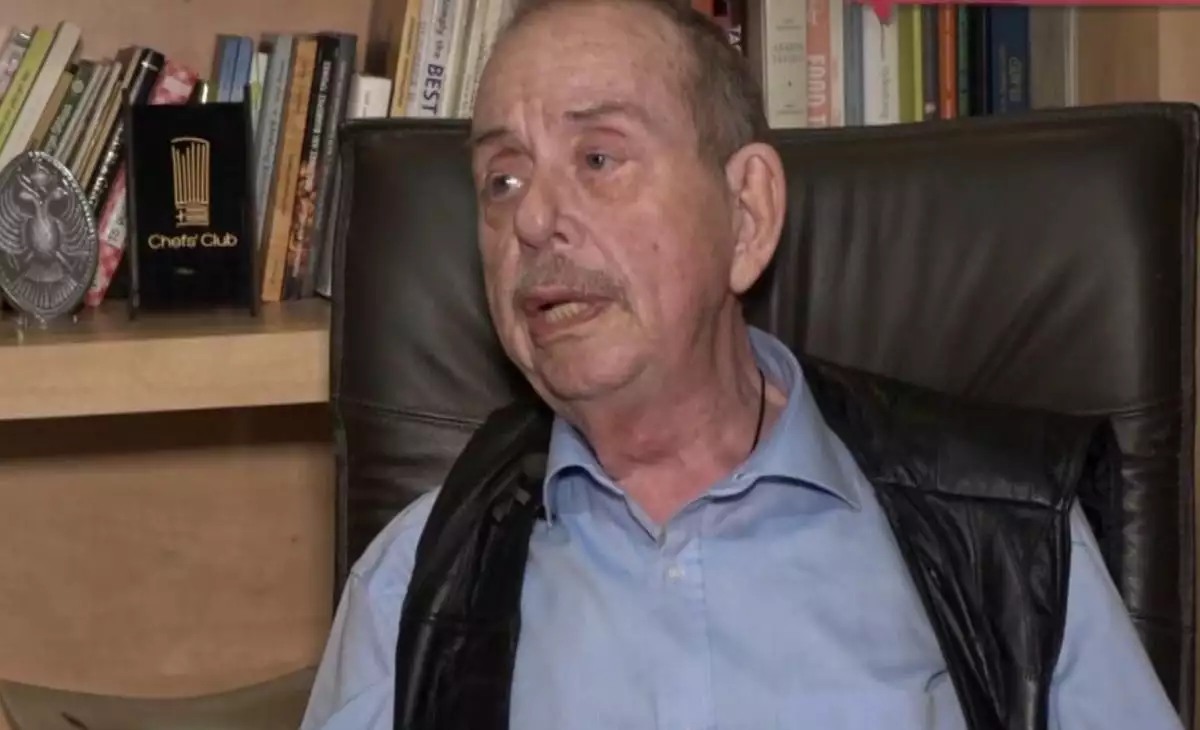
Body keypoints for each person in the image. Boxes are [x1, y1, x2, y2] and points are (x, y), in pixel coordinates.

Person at [300, 0, 1184, 728]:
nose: (531, 220)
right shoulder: (413, 584)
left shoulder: (1012, 533)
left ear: (748, 214)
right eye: (503, 180)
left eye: (599, 157)